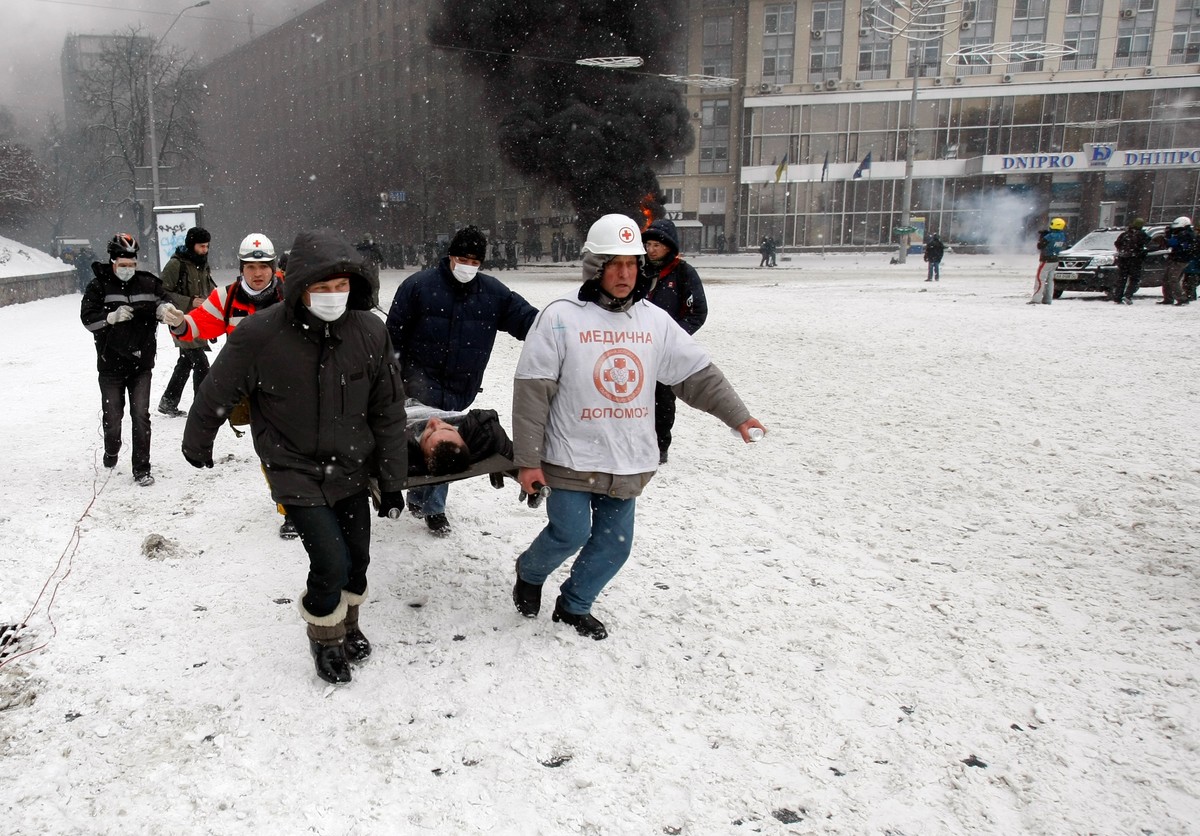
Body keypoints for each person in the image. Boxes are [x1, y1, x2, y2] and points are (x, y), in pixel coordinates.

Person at [510, 214, 767, 640]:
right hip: (570, 455)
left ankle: (574, 604)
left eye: (631, 263)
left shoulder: (654, 321)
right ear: (595, 266)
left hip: (627, 458)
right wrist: (527, 460)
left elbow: (695, 374)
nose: (624, 273)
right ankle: (531, 571)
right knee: (570, 533)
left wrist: (737, 415)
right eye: (614, 263)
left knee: (615, 545)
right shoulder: (559, 317)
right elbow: (532, 392)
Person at [181, 228, 408, 685]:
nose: (333, 295)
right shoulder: (260, 334)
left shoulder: (368, 332)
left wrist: (391, 481)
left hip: (350, 464)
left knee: (357, 559)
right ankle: (325, 637)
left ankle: (349, 624)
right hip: (292, 466)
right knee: (329, 561)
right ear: (301, 286)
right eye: (322, 287)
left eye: (341, 286)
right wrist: (198, 441)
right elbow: (217, 390)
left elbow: (388, 409)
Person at [385, 225, 537, 536]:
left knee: (443, 444)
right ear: (450, 256)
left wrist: (559, 332)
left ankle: (423, 499)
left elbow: (529, 322)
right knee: (432, 440)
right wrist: (393, 376)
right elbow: (393, 337)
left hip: (460, 385)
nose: (467, 266)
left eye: (474, 261)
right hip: (418, 382)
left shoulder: (493, 293)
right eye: (462, 259)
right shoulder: (418, 286)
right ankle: (433, 507)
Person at [168, 233, 298, 538]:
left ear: (273, 267)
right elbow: (197, 325)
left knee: (303, 446)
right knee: (271, 452)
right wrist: (179, 323)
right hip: (253, 392)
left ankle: (311, 498)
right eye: (250, 267)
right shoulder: (225, 298)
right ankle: (291, 509)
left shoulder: (292, 293)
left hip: (293, 385)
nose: (257, 273)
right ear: (241, 268)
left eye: (263, 266)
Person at [80, 233, 179, 487]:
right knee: (113, 416)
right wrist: (109, 317)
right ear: (112, 262)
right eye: (123, 264)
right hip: (110, 364)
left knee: (140, 415)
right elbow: (88, 318)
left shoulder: (148, 283)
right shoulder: (99, 286)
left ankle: (142, 468)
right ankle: (111, 449)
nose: (127, 269)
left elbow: (165, 300)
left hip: (141, 363)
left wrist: (165, 309)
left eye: (132, 264)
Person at [642, 218, 709, 463]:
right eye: (648, 245)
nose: (651, 250)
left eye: (656, 245)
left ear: (669, 247)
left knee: (663, 399)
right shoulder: (638, 270)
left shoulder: (684, 273)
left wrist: (674, 336)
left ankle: (660, 446)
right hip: (638, 346)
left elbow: (697, 312)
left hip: (667, 351)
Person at [157, 227, 216, 418]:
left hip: (199, 321)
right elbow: (162, 292)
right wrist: (189, 301)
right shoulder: (176, 264)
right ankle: (201, 407)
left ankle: (168, 401)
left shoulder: (202, 264)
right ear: (192, 245)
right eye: (201, 246)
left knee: (185, 362)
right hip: (180, 321)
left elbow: (209, 288)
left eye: (207, 246)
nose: (205, 250)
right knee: (201, 363)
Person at [404, 400, 514, 478]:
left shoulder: (403, 446)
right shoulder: (481, 432)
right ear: (463, 438)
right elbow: (510, 453)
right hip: (428, 400)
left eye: (428, 434)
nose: (434, 421)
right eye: (448, 428)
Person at [1114, 218, 1151, 305]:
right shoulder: (1141, 234)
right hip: (1135, 260)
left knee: (1122, 278)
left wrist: (1122, 250)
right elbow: (1149, 242)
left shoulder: (1125, 234)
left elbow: (1117, 243)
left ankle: (1117, 297)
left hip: (1123, 259)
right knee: (1135, 279)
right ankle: (1128, 295)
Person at [1160, 216, 1196, 306]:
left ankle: (1182, 299)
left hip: (1180, 260)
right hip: (1178, 259)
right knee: (1167, 279)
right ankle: (1168, 298)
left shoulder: (1185, 234)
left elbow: (1173, 243)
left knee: (1173, 279)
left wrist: (1166, 238)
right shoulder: (1185, 233)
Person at [1031, 217, 1067, 304]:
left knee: (1040, 279)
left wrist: (1042, 237)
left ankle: (1036, 299)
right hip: (1055, 260)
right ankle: (1048, 299)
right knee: (1050, 281)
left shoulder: (1049, 236)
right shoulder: (1062, 236)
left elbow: (1040, 246)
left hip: (1046, 260)